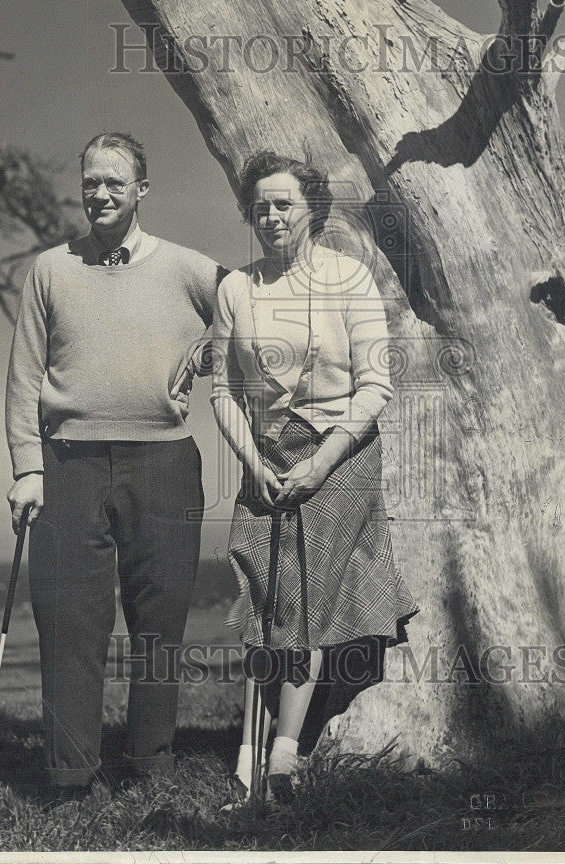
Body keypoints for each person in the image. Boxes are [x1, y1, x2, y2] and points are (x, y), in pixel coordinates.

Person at [6, 131, 225, 790]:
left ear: (141, 192)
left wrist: (213, 355)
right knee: (69, 620)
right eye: (91, 182)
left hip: (163, 463)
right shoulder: (50, 268)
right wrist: (26, 467)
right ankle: (71, 775)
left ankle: (149, 765)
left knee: (159, 623)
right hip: (68, 461)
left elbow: (260, 313)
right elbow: (23, 375)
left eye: (114, 183)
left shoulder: (188, 267)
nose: (100, 194)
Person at [211, 150, 418, 804]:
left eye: (284, 205)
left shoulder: (347, 277)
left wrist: (320, 461)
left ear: (311, 211)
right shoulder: (234, 289)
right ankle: (256, 748)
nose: (270, 216)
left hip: (340, 454)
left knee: (301, 596)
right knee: (264, 593)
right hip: (264, 455)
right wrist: (254, 464)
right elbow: (221, 392)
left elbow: (376, 385)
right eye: (260, 205)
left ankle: (279, 757)